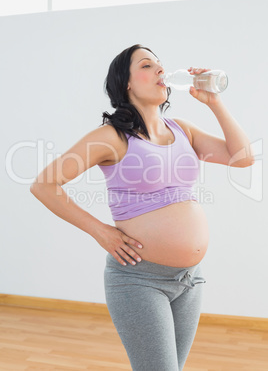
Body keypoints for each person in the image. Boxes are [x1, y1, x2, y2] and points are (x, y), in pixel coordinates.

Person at [30, 44, 255, 370]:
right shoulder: (111, 137)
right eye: (148, 65)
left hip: (190, 279)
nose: (161, 71)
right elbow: (44, 184)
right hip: (139, 280)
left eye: (161, 64)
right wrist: (101, 232)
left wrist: (215, 102)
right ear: (127, 84)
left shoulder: (183, 130)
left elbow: (243, 157)